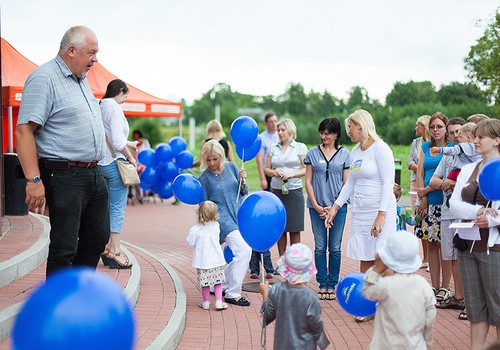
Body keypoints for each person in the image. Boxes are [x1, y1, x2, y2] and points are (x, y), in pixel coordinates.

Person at [15, 26, 109, 277]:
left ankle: (75, 293)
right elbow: (24, 131)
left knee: (97, 238)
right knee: (64, 246)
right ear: (71, 50)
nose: (95, 59)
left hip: (93, 173)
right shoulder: (44, 78)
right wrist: (33, 180)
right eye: (92, 52)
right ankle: (55, 305)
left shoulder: (81, 80)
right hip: (65, 175)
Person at [325, 109, 396, 322]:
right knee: (364, 255)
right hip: (361, 211)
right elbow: (351, 184)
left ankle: (388, 306)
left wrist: (381, 214)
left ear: (362, 126)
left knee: (382, 257)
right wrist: (335, 207)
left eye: (350, 128)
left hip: (380, 209)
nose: (348, 132)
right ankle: (367, 304)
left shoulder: (381, 149)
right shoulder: (354, 152)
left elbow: (387, 184)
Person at [450, 119, 500, 350]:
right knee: (475, 308)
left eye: (481, 137)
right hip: (467, 247)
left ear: (497, 141)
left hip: (494, 249)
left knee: (498, 307)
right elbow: (454, 204)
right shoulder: (469, 169)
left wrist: (491, 220)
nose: (475, 141)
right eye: (475, 137)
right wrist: (479, 211)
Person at [198, 140, 252, 306]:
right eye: (208, 160)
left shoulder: (232, 167)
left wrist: (243, 181)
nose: (212, 163)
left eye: (215, 159)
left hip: (237, 215)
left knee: (240, 253)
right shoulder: (204, 178)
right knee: (244, 250)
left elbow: (244, 192)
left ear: (221, 156)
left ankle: (218, 282)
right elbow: (203, 205)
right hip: (221, 220)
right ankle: (233, 293)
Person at [362, 230, 436, 349]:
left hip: (386, 345)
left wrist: (376, 269)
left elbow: (367, 292)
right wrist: (427, 338)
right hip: (415, 345)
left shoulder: (386, 285)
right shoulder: (423, 284)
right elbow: (430, 313)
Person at [304, 118, 350, 301]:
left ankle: (333, 283)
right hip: (317, 208)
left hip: (338, 208)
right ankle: (322, 283)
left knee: (336, 247)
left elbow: (347, 182)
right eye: (322, 133)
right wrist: (316, 205)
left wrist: (335, 206)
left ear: (336, 134)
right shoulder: (312, 153)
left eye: (328, 133)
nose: (324, 136)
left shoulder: (345, 154)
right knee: (320, 246)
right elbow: (307, 180)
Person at [428, 117, 467, 318]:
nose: (455, 137)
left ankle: (465, 297)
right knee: (450, 256)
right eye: (452, 133)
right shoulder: (447, 157)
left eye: (458, 132)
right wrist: (445, 182)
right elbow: (434, 179)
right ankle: (458, 295)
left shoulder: (471, 156)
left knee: (463, 256)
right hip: (446, 211)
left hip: (464, 214)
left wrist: (451, 183)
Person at [98, 79, 138, 269]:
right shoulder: (114, 107)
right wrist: (130, 157)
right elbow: (116, 140)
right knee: (117, 208)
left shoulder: (100, 105)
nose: (124, 101)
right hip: (116, 164)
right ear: (120, 91)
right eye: (125, 96)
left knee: (106, 207)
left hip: (101, 163)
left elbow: (110, 136)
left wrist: (129, 143)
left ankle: (107, 247)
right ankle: (115, 250)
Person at [259, 243, 330, 350]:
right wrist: (323, 343)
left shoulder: (276, 290)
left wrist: (265, 293)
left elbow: (267, 317)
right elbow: (316, 324)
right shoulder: (311, 297)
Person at [415, 112, 453, 302]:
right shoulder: (425, 146)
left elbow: (448, 176)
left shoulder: (452, 147)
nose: (435, 130)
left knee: (444, 246)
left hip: (445, 202)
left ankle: (446, 287)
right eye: (432, 127)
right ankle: (434, 285)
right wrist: (423, 196)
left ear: (446, 128)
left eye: (439, 126)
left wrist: (427, 190)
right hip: (428, 202)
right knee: (431, 243)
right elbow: (420, 172)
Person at [264, 118, 307, 256]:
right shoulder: (272, 148)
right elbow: (267, 169)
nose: (280, 133)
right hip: (276, 191)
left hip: (294, 192)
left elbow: (306, 169)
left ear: (290, 131)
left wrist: (291, 174)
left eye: (283, 130)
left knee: (294, 228)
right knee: (280, 227)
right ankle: (282, 261)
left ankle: (295, 261)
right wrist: (274, 172)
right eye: (278, 130)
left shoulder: (300, 147)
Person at [249, 112, 279, 279]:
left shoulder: (280, 135)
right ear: (266, 123)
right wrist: (262, 178)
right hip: (268, 175)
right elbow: (260, 160)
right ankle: (258, 264)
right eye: (271, 121)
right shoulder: (262, 138)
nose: (274, 124)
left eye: (276, 120)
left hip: (279, 174)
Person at [186, 200, 228, 311]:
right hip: (216, 260)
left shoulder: (195, 229)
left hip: (203, 261)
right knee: (217, 282)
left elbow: (190, 242)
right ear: (215, 214)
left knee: (205, 283)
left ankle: (206, 302)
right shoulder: (216, 226)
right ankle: (219, 301)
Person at [408, 115, 431, 268]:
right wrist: (421, 168)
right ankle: (425, 258)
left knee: (430, 219)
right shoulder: (415, 142)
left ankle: (433, 256)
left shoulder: (432, 144)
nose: (416, 128)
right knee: (419, 220)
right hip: (415, 184)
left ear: (425, 126)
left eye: (418, 125)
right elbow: (410, 162)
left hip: (428, 183)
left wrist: (422, 168)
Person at [131, 129, 151, 203]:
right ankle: (138, 194)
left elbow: (149, 152)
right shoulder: (132, 144)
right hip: (136, 164)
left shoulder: (144, 142)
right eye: (134, 135)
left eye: (136, 135)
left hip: (144, 164)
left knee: (143, 176)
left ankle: (145, 193)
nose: (135, 136)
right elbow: (133, 155)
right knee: (135, 177)